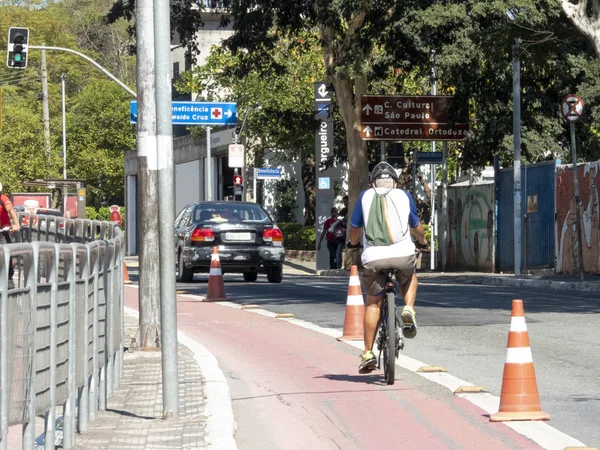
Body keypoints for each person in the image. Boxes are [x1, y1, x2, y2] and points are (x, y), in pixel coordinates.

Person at [347, 162, 427, 374]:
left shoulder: (365, 196)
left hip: (373, 258)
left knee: (373, 303)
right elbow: (416, 227)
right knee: (409, 276)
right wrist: (423, 242)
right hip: (403, 254)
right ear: (395, 183)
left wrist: (353, 245)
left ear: (373, 182)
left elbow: (354, 228)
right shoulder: (403, 196)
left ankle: (367, 353)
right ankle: (408, 308)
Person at [0, 183, 21, 289]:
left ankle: (9, 277)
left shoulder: (3, 199)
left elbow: (10, 210)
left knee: (5, 250)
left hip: (3, 230)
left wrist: (16, 224)